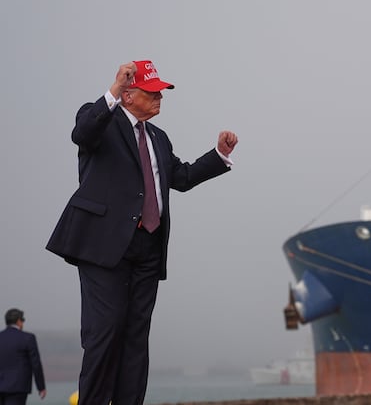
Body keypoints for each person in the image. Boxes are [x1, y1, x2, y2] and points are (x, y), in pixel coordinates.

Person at [46, 60, 239, 405]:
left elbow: (181, 178)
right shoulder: (99, 118)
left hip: (149, 247)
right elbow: (82, 134)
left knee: (136, 337)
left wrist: (219, 155)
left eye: (161, 92)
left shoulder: (158, 138)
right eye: (152, 93)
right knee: (105, 331)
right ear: (129, 95)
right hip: (104, 246)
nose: (160, 98)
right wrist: (114, 88)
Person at [0, 309, 46, 405]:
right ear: (18, 321)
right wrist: (41, 387)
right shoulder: (28, 338)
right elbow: (36, 364)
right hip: (18, 389)